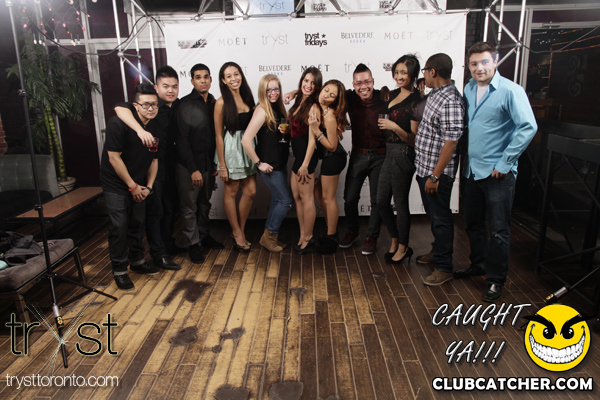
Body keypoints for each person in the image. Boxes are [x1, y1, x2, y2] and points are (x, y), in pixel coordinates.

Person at [458, 42, 537, 302]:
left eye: (484, 62)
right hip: (472, 171)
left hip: (498, 174)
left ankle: (495, 280)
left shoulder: (511, 90)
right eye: (474, 63)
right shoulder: (469, 88)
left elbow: (528, 127)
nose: (479, 68)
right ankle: (478, 264)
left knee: (499, 230)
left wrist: (505, 163)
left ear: (495, 61)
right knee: (473, 223)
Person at [114, 66, 181, 271]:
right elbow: (119, 108)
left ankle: (164, 249)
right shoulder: (146, 105)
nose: (170, 90)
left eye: (174, 86)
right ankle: (156, 256)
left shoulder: (175, 106)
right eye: (165, 86)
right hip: (148, 169)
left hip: (166, 166)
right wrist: (139, 130)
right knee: (152, 213)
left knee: (166, 210)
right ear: (156, 88)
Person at [100, 83, 161, 290]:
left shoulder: (154, 126)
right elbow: (114, 158)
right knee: (119, 226)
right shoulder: (118, 124)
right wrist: (132, 186)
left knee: (137, 223)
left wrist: (148, 187)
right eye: (146, 105)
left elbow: (154, 159)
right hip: (115, 183)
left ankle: (137, 261)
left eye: (154, 104)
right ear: (135, 106)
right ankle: (119, 270)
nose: (151, 108)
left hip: (139, 182)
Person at [414, 53, 465, 286]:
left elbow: (451, 142)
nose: (423, 75)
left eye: (425, 70)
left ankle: (444, 267)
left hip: (437, 174)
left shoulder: (451, 100)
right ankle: (437, 252)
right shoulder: (436, 93)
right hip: (425, 168)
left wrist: (435, 176)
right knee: (434, 217)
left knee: (441, 219)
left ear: (432, 71)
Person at [176, 63, 224, 264]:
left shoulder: (213, 103)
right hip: (189, 166)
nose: (203, 80)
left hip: (207, 164)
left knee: (205, 203)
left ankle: (204, 236)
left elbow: (214, 137)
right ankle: (193, 245)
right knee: (189, 207)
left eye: (206, 76)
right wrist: (193, 169)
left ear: (211, 80)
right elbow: (182, 140)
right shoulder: (185, 104)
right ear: (192, 81)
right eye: (198, 77)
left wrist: (214, 163)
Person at [377, 54, 422, 264]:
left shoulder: (416, 101)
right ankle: (395, 239)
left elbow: (414, 139)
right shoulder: (393, 94)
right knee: (381, 201)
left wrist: (394, 127)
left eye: (404, 72)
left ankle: (404, 247)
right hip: (389, 152)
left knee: (400, 203)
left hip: (404, 153)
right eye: (396, 72)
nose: (399, 76)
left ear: (413, 74)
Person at [338, 64, 387, 256]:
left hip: (381, 156)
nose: (363, 86)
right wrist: (294, 92)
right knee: (350, 198)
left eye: (367, 81)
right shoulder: (349, 97)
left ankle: (371, 237)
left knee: (377, 201)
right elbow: (326, 92)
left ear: (373, 82)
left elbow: (406, 94)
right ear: (353, 85)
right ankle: (352, 231)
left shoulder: (384, 97)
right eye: (359, 83)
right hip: (358, 155)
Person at [241, 74, 292, 252]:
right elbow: (246, 140)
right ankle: (270, 235)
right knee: (285, 201)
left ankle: (268, 238)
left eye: (276, 88)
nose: (273, 92)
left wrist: (285, 132)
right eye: (269, 89)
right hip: (270, 165)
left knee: (278, 199)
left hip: (280, 162)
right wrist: (259, 163)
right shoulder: (262, 109)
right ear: (263, 91)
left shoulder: (277, 108)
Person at [214, 62, 257, 252]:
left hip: (248, 149)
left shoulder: (247, 96)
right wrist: (222, 165)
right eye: (229, 76)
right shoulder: (221, 102)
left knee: (250, 191)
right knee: (231, 192)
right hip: (231, 150)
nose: (234, 78)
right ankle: (237, 233)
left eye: (236, 74)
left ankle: (240, 229)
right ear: (223, 80)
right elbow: (218, 135)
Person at [311, 79, 348, 254]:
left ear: (335, 100)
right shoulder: (319, 105)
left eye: (332, 95)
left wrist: (317, 131)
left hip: (334, 158)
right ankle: (330, 227)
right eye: (326, 90)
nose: (326, 96)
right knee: (318, 193)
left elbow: (332, 146)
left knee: (328, 197)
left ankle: (332, 236)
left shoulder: (330, 116)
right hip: (328, 158)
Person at [288, 67, 322, 254]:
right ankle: (303, 234)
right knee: (297, 197)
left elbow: (312, 141)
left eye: (313, 83)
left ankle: (309, 238)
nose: (308, 85)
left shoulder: (313, 107)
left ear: (317, 86)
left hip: (306, 159)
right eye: (306, 80)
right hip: (299, 157)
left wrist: (305, 165)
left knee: (307, 199)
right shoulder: (300, 100)